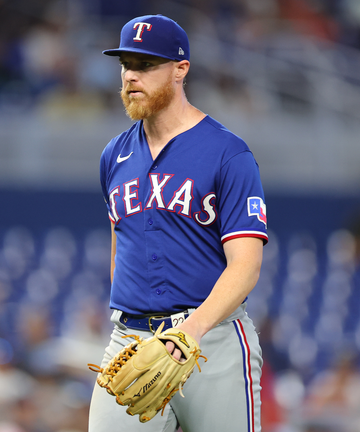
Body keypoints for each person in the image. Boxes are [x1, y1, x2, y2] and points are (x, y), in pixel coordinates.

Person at [90, 14, 269, 432]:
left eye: (146, 65)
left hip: (212, 340)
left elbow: (246, 265)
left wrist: (191, 331)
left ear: (180, 69)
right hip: (133, 341)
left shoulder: (228, 153)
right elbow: (121, 247)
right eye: (126, 65)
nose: (131, 76)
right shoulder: (113, 155)